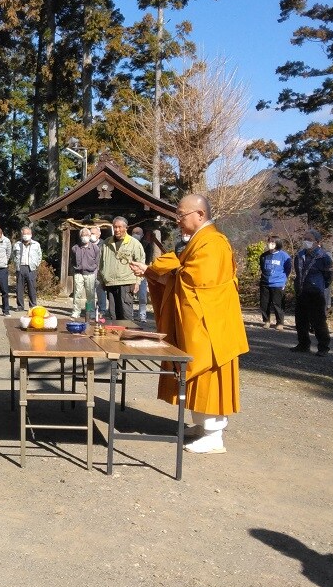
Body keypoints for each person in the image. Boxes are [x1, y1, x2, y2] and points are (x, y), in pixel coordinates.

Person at [130, 193, 249, 454]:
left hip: (211, 326)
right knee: (195, 371)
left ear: (200, 214)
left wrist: (164, 270)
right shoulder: (199, 241)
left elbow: (197, 281)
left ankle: (214, 434)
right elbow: (182, 271)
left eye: (181, 215)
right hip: (203, 322)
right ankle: (201, 426)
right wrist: (151, 271)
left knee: (208, 373)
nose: (178, 220)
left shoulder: (214, 243)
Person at [291, 229, 333, 356]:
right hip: (301, 291)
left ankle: (323, 347)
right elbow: (298, 273)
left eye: (309, 239)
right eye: (305, 239)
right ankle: (303, 344)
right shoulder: (299, 255)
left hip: (316, 293)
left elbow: (329, 276)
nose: (306, 242)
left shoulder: (324, 257)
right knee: (301, 320)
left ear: (317, 242)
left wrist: (319, 285)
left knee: (318, 321)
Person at [98, 216, 145, 321]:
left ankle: (128, 336)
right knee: (113, 315)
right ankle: (115, 336)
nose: (117, 230)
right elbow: (101, 263)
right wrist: (101, 280)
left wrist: (137, 282)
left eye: (119, 227)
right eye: (115, 227)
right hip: (110, 283)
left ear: (126, 228)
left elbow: (140, 264)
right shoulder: (106, 243)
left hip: (127, 283)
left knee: (126, 315)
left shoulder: (134, 243)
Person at [259, 235, 292, 329]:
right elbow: (262, 267)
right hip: (265, 282)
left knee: (278, 304)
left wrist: (283, 280)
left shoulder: (284, 256)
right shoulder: (264, 256)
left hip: (278, 283)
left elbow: (288, 269)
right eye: (269, 242)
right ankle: (266, 321)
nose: (270, 244)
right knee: (264, 303)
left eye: (273, 242)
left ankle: (280, 323)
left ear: (277, 243)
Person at [69, 226, 100, 318]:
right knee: (77, 293)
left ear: (90, 235)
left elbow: (97, 261)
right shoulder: (75, 248)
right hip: (78, 273)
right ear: (80, 236)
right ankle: (76, 311)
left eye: (87, 235)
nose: (85, 236)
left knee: (90, 295)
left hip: (90, 273)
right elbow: (72, 260)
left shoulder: (95, 248)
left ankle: (90, 311)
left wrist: (94, 270)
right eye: (83, 235)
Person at [132, 226, 158, 322]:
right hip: (130, 272)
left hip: (142, 272)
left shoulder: (147, 245)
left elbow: (148, 260)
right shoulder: (129, 244)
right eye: (134, 232)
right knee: (129, 295)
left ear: (142, 235)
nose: (136, 235)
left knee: (142, 295)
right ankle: (129, 315)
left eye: (138, 233)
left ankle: (142, 315)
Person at [13, 226, 43, 311]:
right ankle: (20, 306)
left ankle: (33, 306)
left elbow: (39, 256)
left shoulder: (36, 244)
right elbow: (13, 256)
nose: (26, 235)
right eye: (24, 234)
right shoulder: (17, 245)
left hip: (31, 268)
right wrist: (16, 264)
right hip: (20, 268)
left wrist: (36, 264)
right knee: (19, 288)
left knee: (32, 288)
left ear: (31, 234)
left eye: (27, 233)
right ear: (21, 234)